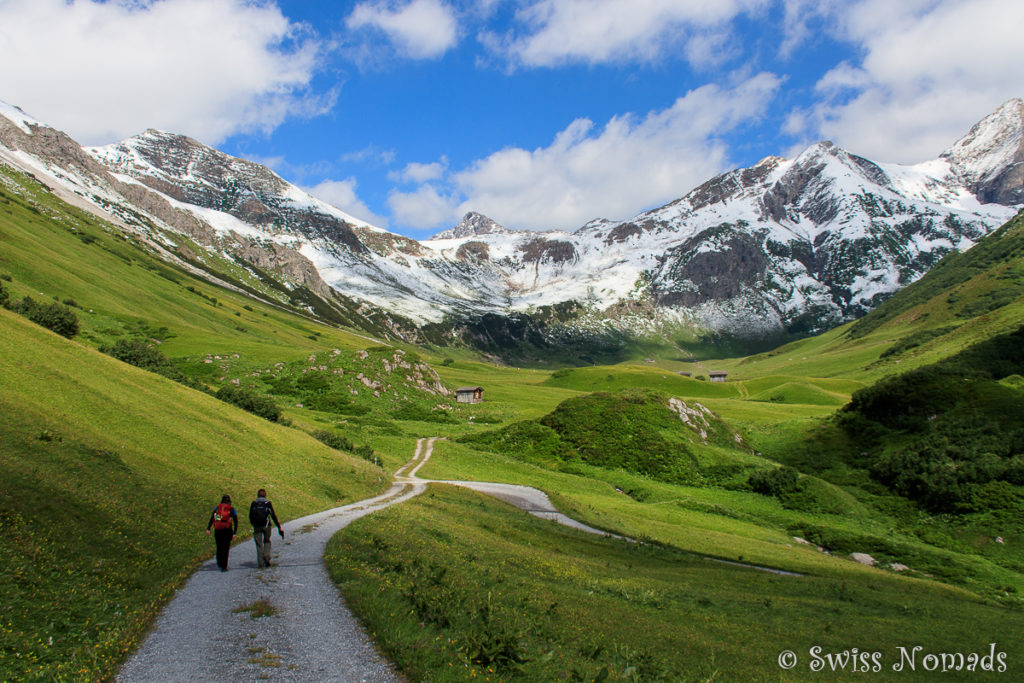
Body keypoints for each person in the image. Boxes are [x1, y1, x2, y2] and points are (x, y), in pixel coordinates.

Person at [249, 488, 284, 568]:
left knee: (259, 544)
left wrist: (254, 524)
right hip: (267, 525)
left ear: (257, 495)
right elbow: (273, 515)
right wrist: (279, 527)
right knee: (267, 541)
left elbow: (250, 516)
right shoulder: (267, 503)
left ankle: (260, 563)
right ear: (265, 495)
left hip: (257, 526)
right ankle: (266, 556)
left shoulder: (254, 504)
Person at [206, 494, 238, 572]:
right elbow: (236, 521)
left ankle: (219, 561)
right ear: (229, 501)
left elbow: (214, 518)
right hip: (227, 530)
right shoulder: (232, 509)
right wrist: (234, 532)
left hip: (218, 529)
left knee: (219, 546)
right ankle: (224, 566)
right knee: (226, 547)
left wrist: (208, 528)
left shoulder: (218, 508)